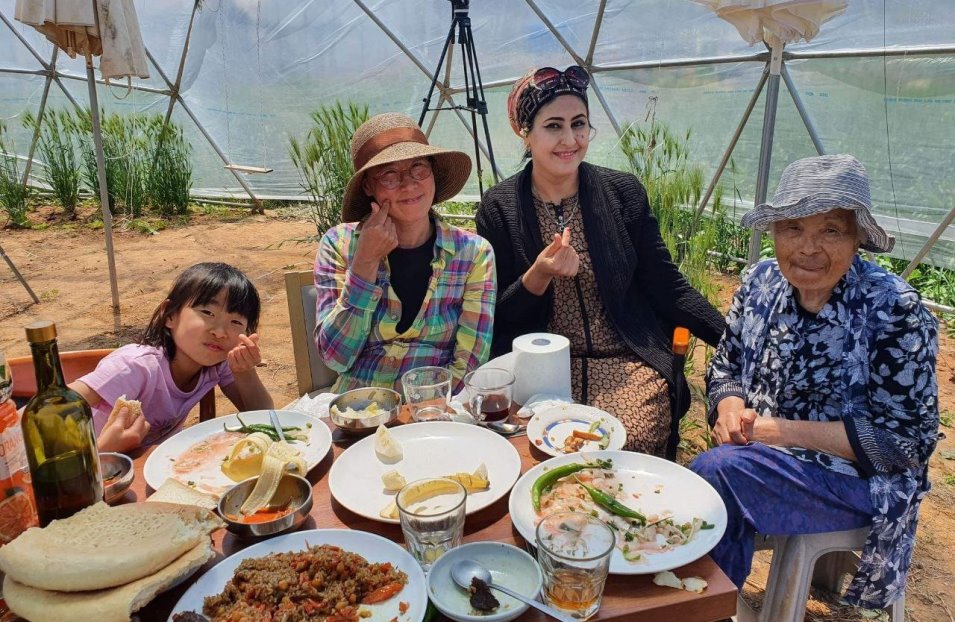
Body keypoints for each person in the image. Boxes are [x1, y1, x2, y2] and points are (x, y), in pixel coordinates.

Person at [690, 154, 939, 609]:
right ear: (774, 232)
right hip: (764, 460)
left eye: (831, 230)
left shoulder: (894, 310)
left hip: (860, 480)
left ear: (858, 238)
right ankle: (700, 603)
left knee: (717, 476)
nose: (808, 248)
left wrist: (773, 431)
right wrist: (729, 408)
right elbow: (726, 364)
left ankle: (701, 611)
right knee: (718, 474)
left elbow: (906, 443)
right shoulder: (760, 282)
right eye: (793, 228)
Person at [476, 66, 725, 458]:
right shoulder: (500, 207)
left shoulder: (622, 193)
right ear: (526, 133)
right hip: (543, 370)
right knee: (544, 449)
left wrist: (734, 341)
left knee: (624, 443)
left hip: (627, 362)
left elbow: (668, 287)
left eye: (579, 124)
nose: (570, 139)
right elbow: (498, 315)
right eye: (553, 126)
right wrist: (537, 276)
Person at [314, 112, 496, 394]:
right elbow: (335, 358)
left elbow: (469, 363)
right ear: (368, 186)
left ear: (433, 172)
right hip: (360, 406)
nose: (409, 184)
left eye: (418, 168)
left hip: (437, 405)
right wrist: (365, 263)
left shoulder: (473, 253)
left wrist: (422, 409)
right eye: (389, 174)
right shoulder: (339, 244)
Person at [71, 262, 273, 452]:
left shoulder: (218, 363)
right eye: (207, 312)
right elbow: (57, 406)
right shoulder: (135, 367)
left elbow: (264, 417)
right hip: (87, 466)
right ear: (169, 315)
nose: (220, 332)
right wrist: (102, 452)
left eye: (236, 322)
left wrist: (245, 371)